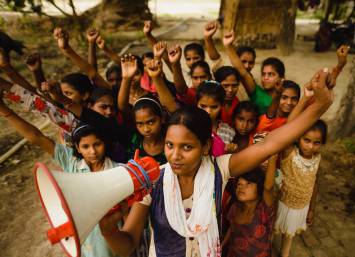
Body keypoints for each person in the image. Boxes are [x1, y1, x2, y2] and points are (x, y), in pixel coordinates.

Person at [99, 68, 333, 257]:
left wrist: (320, 105)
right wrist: (109, 231)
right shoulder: (152, 181)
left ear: (206, 148)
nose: (175, 155)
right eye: (170, 145)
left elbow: (269, 145)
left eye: (187, 147)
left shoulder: (219, 168)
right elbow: (127, 245)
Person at [0, 93, 123, 257]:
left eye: (97, 144)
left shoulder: (118, 171)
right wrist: (5, 111)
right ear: (77, 148)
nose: (92, 151)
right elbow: (36, 137)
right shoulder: (71, 162)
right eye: (85, 146)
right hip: (85, 245)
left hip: (111, 244)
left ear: (105, 143)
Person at [274, 120, 327, 257]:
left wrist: (312, 209)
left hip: (301, 207)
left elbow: (314, 184)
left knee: (289, 236)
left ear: (322, 143)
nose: (310, 146)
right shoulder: (289, 152)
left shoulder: (317, 159)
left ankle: (284, 253)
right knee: (271, 232)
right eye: (307, 140)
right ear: (298, 137)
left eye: (317, 142)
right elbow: (289, 127)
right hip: (282, 203)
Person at [221, 155, 277, 257]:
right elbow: (231, 229)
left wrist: (273, 157)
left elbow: (268, 187)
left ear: (259, 187)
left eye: (248, 183)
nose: (242, 187)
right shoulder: (234, 208)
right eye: (239, 184)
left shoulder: (264, 210)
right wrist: (221, 245)